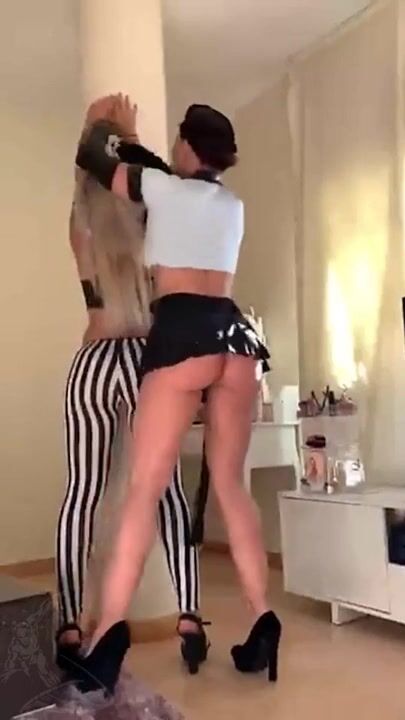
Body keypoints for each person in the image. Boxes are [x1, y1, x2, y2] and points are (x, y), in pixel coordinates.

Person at [73, 94, 281, 695]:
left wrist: (112, 127)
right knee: (232, 486)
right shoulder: (232, 205)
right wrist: (140, 147)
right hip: (237, 340)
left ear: (187, 145)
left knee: (143, 491)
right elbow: (167, 178)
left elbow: (96, 159)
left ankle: (105, 639)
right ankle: (263, 621)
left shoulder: (162, 189)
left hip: (183, 333)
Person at [55, 105, 209, 680]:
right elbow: (159, 184)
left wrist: (91, 133)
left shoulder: (81, 228)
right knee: (168, 493)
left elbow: (84, 182)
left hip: (94, 359)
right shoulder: (153, 221)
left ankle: (71, 622)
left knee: (82, 494)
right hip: (146, 360)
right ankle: (189, 616)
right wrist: (132, 136)